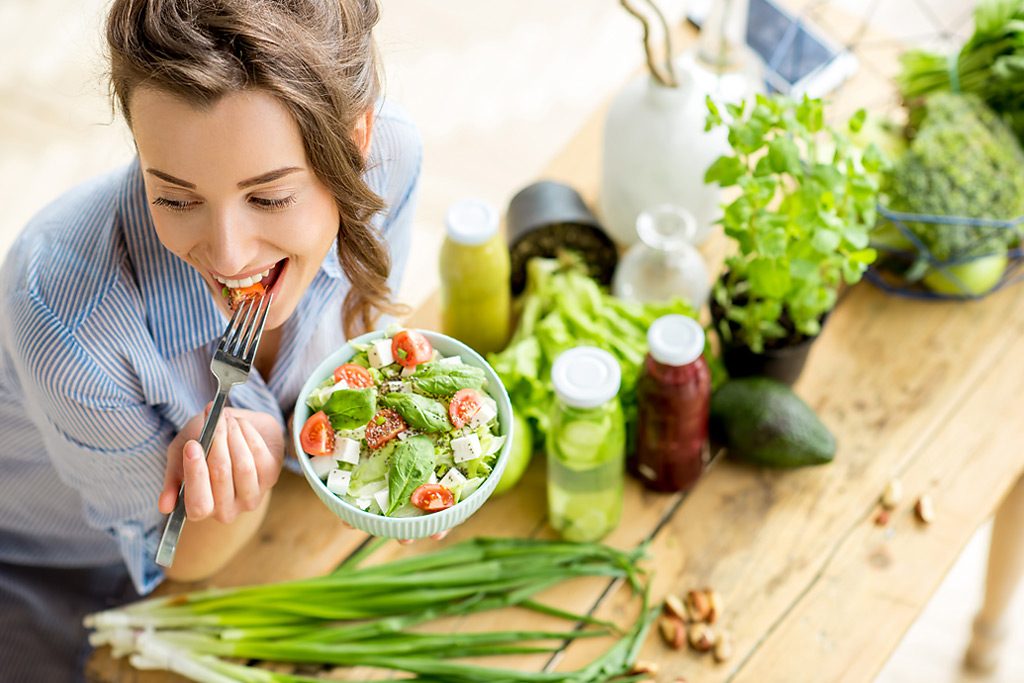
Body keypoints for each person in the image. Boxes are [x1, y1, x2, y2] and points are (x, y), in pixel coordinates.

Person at [0, 0, 422, 679]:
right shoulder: (60, 312)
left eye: (269, 197)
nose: (227, 255)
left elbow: (354, 359)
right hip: (48, 571)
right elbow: (178, 556)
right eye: (174, 195)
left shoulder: (392, 162)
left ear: (357, 141)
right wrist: (233, 481)